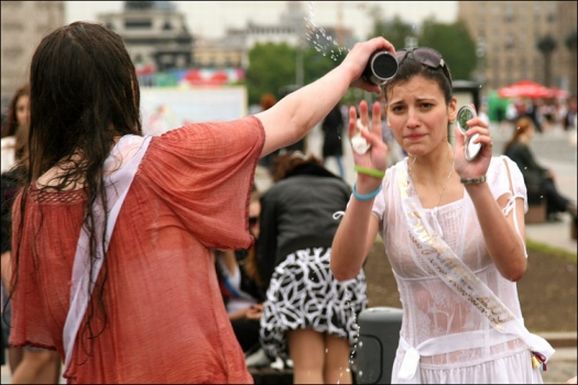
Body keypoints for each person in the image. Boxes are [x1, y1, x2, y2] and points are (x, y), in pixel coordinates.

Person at [7, 21, 393, 383]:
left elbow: (40, 353)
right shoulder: (169, 159)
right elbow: (289, 120)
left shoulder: (31, 205)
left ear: (45, 102)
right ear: (123, 88)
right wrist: (349, 67)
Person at [331, 47, 554, 383]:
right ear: (387, 116)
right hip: (424, 371)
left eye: (425, 105)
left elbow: (515, 267)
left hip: (498, 365)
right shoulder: (386, 185)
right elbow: (344, 269)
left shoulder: (497, 172)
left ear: (451, 108)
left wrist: (475, 183)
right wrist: (365, 185)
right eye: (399, 109)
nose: (412, 121)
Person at [258, 152, 367, 384]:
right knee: (340, 367)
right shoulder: (340, 187)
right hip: (341, 266)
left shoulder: (275, 193)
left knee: (308, 369)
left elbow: (265, 250)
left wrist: (270, 288)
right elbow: (357, 236)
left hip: (298, 271)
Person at [1, 85, 62, 384]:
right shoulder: (12, 183)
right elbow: (4, 245)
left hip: (44, 282)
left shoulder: (54, 181)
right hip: (18, 281)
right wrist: (16, 292)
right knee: (39, 354)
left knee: (44, 355)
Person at [214, 188, 267, 355]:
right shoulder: (215, 254)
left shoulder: (262, 248)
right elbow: (205, 318)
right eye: (251, 221)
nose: (257, 227)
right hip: (228, 322)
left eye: (261, 220)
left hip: (258, 318)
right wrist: (242, 314)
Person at [503, 116, 577, 221]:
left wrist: (546, 172)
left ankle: (560, 210)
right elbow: (522, 171)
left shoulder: (519, 145)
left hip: (528, 179)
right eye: (531, 129)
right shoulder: (518, 147)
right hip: (523, 183)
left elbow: (533, 166)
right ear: (526, 130)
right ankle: (569, 207)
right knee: (548, 187)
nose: (533, 132)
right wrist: (542, 176)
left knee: (549, 181)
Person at [321, 102, 346, 178]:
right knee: (339, 160)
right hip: (336, 139)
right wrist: (339, 136)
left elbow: (323, 127)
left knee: (325, 160)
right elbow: (342, 125)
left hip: (329, 139)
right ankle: (342, 177)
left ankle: (320, 175)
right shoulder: (338, 112)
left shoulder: (328, 112)